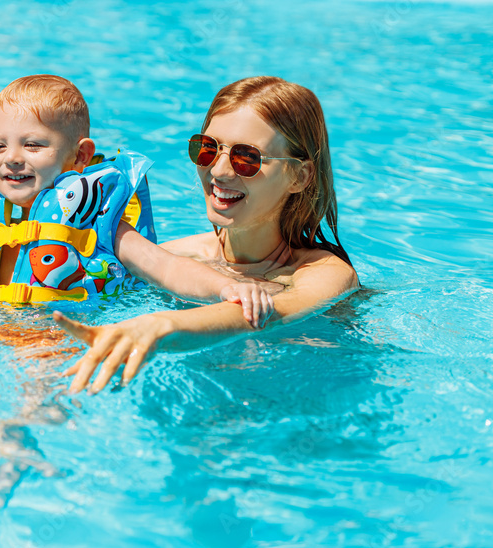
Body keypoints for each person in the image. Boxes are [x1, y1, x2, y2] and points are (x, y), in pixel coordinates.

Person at [0, 74, 274, 322]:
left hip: (57, 336)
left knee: (36, 387)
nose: (13, 159)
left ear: (79, 156)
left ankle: (14, 448)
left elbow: (165, 268)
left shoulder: (101, 225)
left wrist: (225, 289)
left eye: (34, 145)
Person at [54, 76, 361, 394]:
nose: (218, 171)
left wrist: (161, 324)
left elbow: (269, 313)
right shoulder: (177, 258)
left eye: (247, 158)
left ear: (299, 176)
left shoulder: (326, 273)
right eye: (208, 149)